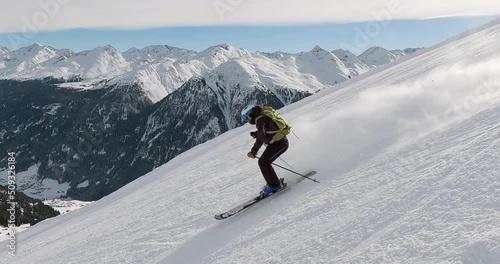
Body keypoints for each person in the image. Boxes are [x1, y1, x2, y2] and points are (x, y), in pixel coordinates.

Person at [241, 105, 289, 195]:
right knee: (264, 161)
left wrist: (253, 151)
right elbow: (266, 130)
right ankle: (274, 183)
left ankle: (274, 185)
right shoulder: (261, 116)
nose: (246, 121)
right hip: (278, 142)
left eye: (245, 118)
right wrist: (257, 133)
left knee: (263, 162)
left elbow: (261, 138)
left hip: (280, 144)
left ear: (250, 114)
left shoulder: (260, 120)